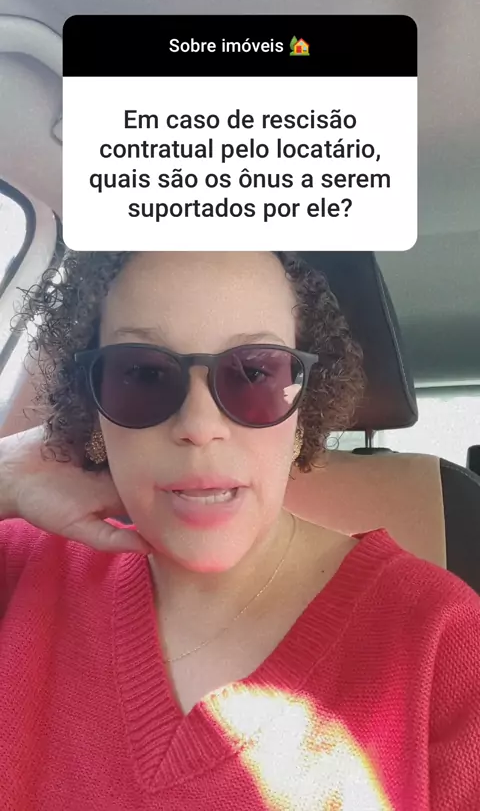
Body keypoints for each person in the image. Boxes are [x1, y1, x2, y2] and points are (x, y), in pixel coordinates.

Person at [0, 250, 478, 811]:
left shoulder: (445, 640)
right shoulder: (22, 567)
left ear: (304, 409)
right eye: (143, 374)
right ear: (95, 405)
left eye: (254, 373)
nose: (200, 427)